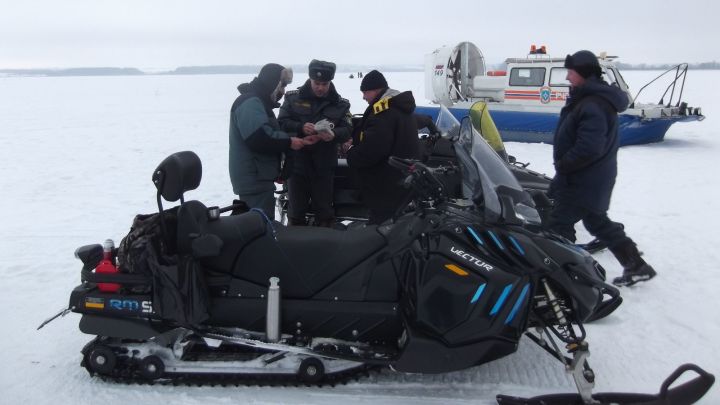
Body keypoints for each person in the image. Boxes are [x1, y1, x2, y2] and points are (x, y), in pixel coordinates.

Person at [547, 50, 656, 287]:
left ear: (583, 74)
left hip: (582, 178)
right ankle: (636, 265)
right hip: (591, 177)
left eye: (571, 72)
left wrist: (564, 165)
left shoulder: (592, 104)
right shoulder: (589, 99)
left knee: (558, 224)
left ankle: (569, 276)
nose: (567, 78)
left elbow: (589, 147)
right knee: (596, 221)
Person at [228, 63, 317, 220]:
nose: (283, 91)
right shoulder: (250, 102)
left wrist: (295, 140)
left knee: (259, 224)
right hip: (254, 180)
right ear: (272, 82)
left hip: (259, 178)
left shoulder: (258, 102)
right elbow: (259, 138)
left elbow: (268, 134)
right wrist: (289, 142)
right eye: (281, 85)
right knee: (257, 227)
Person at [278, 59, 352, 227]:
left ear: (330, 82)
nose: (320, 87)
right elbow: (281, 123)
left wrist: (333, 135)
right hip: (297, 166)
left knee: (325, 214)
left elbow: (348, 129)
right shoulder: (292, 99)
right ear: (310, 79)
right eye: (317, 83)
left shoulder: (341, 104)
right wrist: (300, 127)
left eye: (324, 84)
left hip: (324, 167)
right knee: (296, 214)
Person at [346, 70, 421, 225]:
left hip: (386, 185)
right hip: (401, 180)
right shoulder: (400, 107)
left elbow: (372, 150)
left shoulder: (384, 113)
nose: (363, 97)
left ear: (375, 90)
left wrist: (350, 153)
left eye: (365, 92)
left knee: (380, 231)